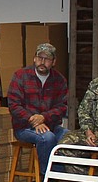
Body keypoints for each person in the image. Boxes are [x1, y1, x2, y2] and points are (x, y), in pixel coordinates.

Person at [7, 42, 70, 174]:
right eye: (40, 57)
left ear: (53, 62)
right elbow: (14, 104)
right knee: (47, 138)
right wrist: (33, 120)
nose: (42, 62)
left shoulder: (59, 80)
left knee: (69, 137)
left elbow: (62, 107)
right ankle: (47, 179)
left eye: (47, 59)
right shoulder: (20, 76)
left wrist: (43, 117)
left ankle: (66, 176)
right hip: (24, 127)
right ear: (34, 58)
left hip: (51, 125)